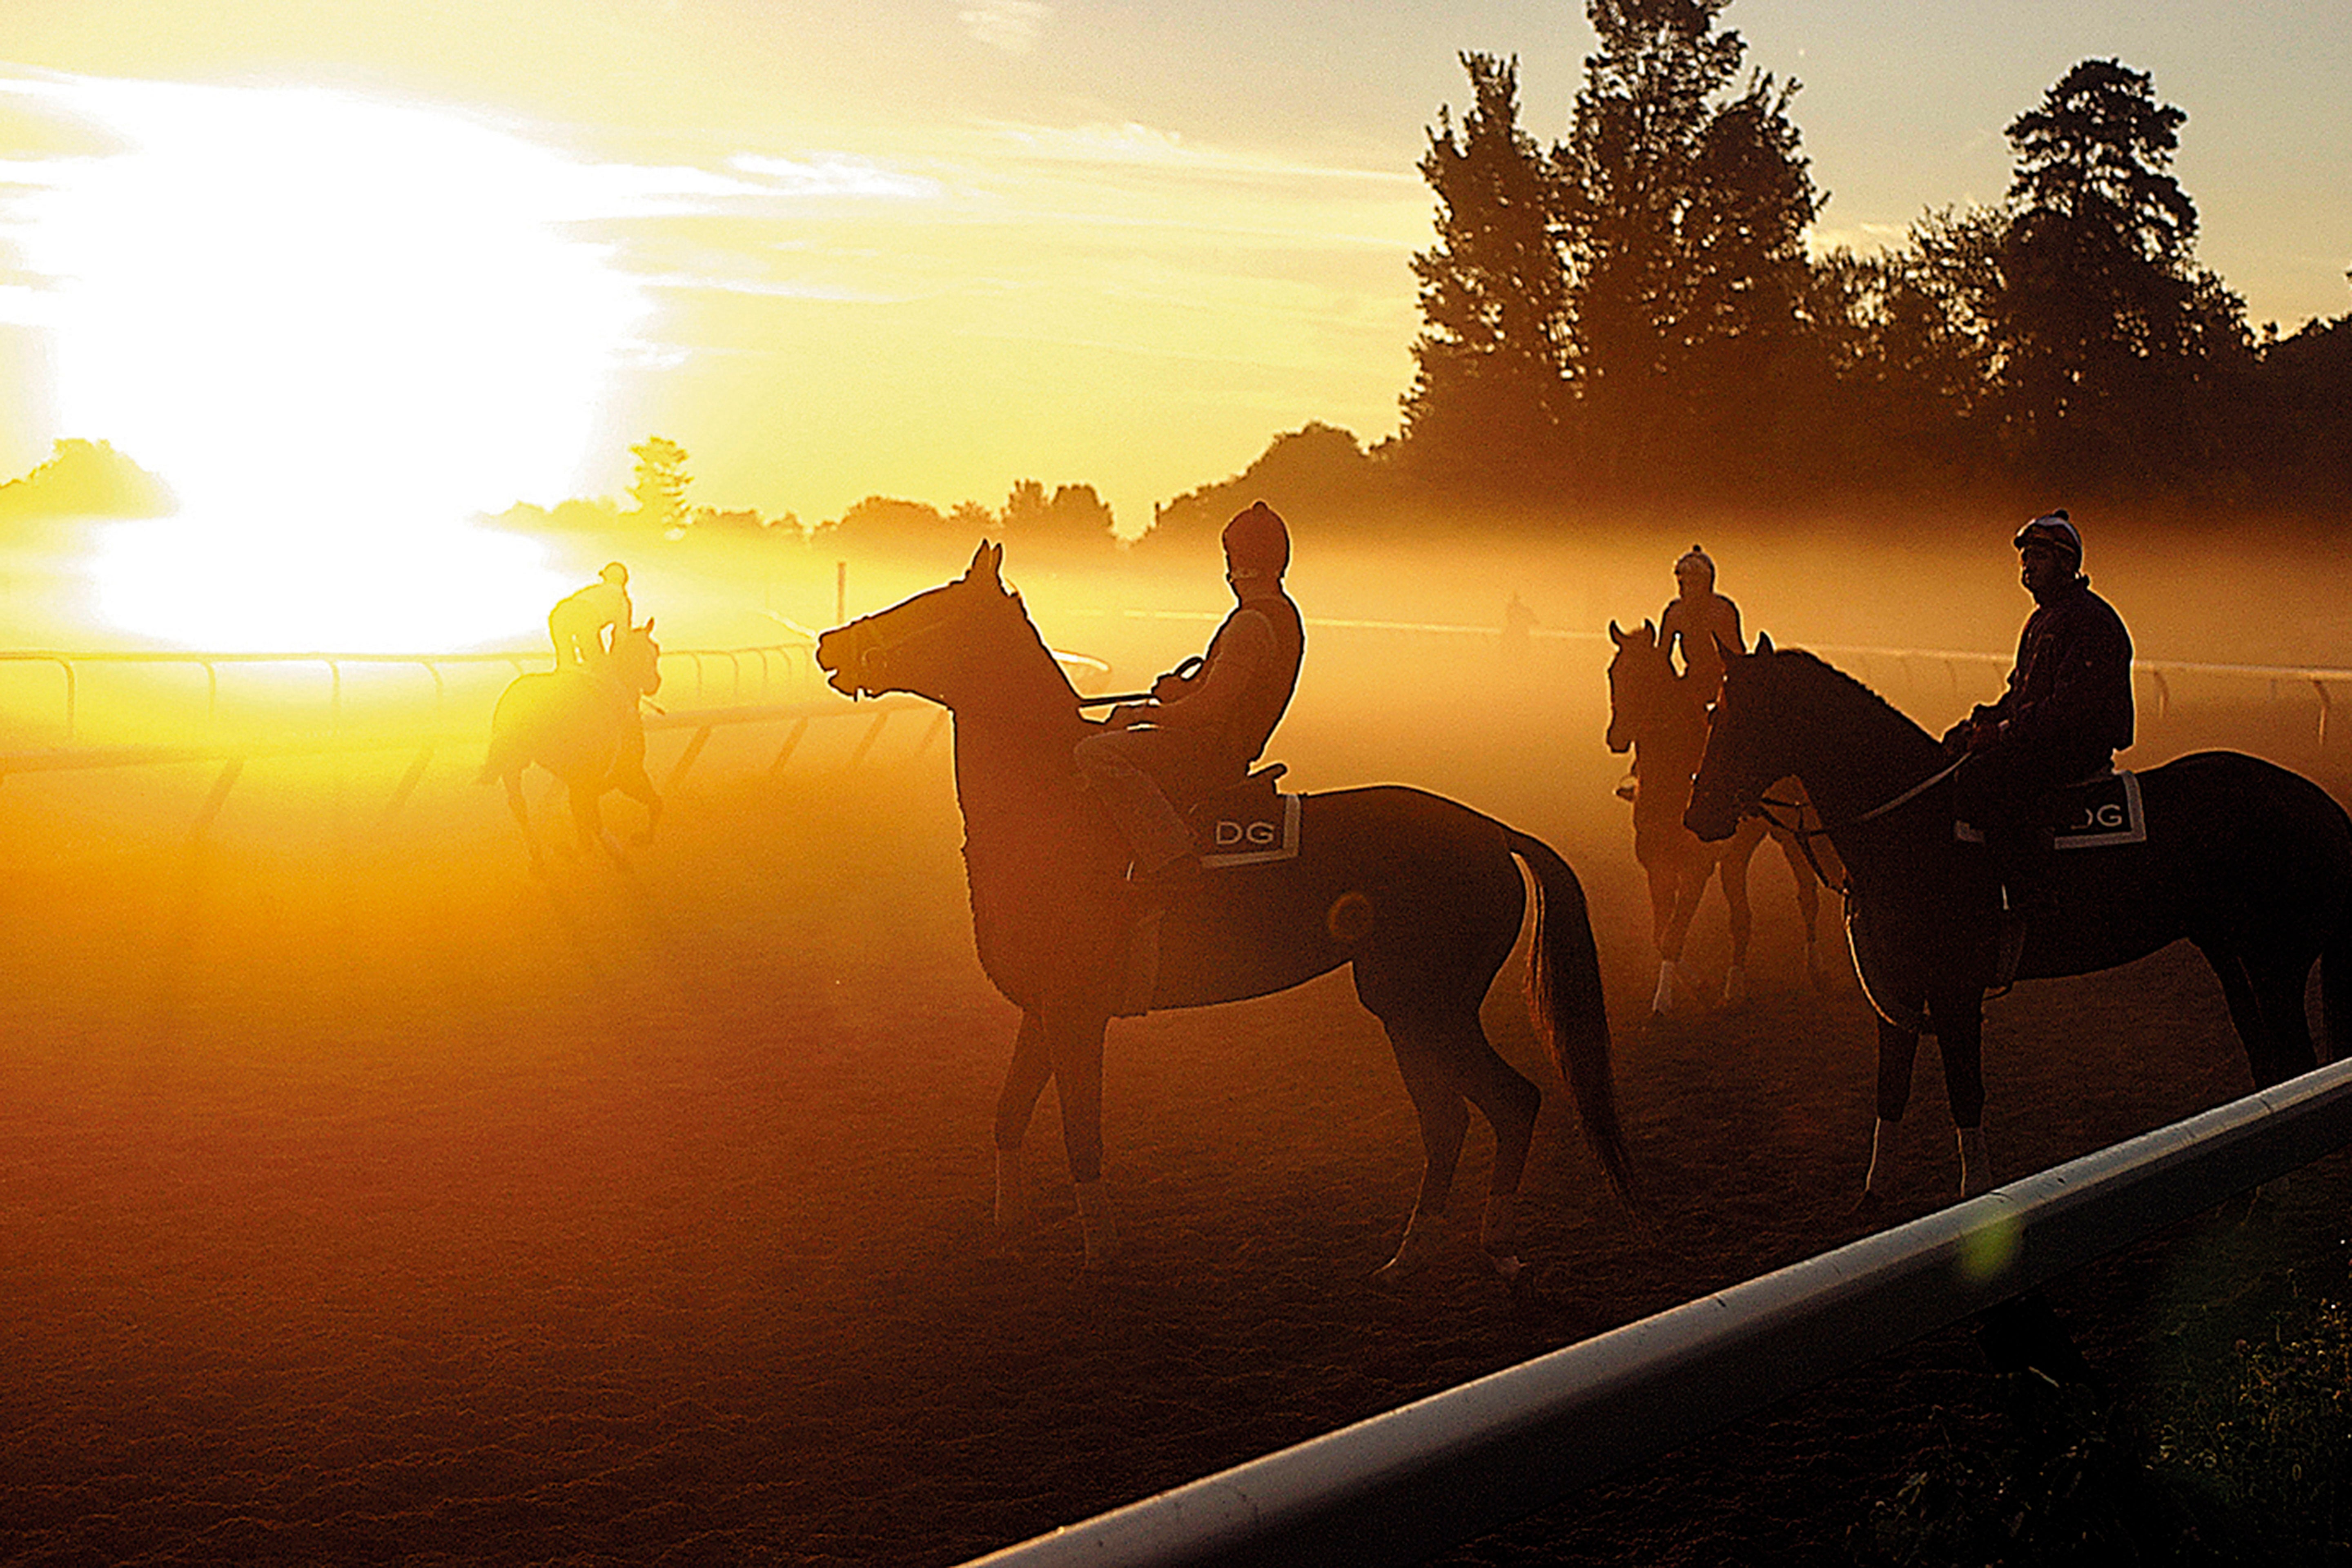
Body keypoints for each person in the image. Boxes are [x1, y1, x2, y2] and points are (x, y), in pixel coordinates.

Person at [1074, 501, 1305, 893]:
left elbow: (1207, 710)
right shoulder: (1284, 615)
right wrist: (1179, 691)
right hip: (1223, 748)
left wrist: (1141, 714)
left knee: (1095, 753)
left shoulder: (1250, 624)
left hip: (1209, 755)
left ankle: (1171, 858)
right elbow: (1227, 692)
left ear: (1237, 563)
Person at [1940, 510, 2134, 918]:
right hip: (2043, 736)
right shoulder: (2042, 620)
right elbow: (2020, 696)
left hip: (2077, 746)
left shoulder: (2091, 621)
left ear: (2067, 564)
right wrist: (1985, 720)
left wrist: (2003, 732)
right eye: (2025, 558)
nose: (2027, 566)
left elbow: (2071, 709)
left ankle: (2030, 893)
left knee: (1983, 779)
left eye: (2038, 557)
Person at [1659, 545, 1743, 709]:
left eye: (1694, 583)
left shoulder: (1723, 611)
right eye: (1683, 583)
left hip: (1723, 684)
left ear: (1707, 583)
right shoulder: (1675, 613)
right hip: (1690, 684)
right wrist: (1673, 684)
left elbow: (1737, 653)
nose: (1687, 590)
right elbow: (1662, 656)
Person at [550, 562, 633, 672]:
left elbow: (572, 604)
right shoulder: (622, 601)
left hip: (560, 612)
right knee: (597, 666)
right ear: (625, 580)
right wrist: (613, 661)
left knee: (566, 665)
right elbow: (621, 635)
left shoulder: (592, 590)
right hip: (586, 614)